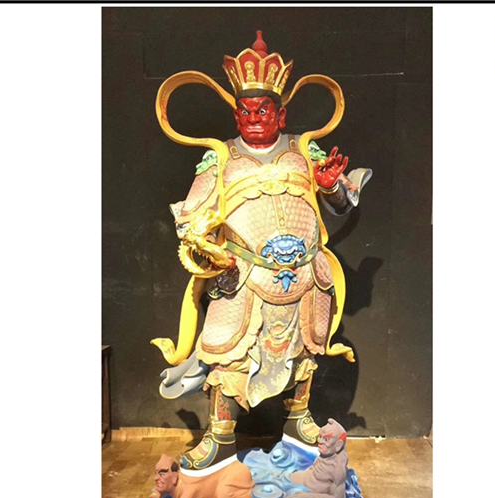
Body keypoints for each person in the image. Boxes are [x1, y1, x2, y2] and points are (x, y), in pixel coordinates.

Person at [156, 32, 371, 471]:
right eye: (246, 111)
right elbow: (189, 218)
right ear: (236, 114)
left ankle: (297, 418)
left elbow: (342, 202)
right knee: (228, 353)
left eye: (263, 110)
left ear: (281, 113)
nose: (254, 118)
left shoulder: (303, 150)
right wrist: (204, 244)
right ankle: (219, 436)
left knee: (305, 350)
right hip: (244, 277)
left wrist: (331, 185)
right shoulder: (220, 158)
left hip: (306, 275)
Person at [284, 418, 348, 498]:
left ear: (338, 445)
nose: (320, 441)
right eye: (320, 436)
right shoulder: (326, 454)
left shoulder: (337, 468)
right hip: (303, 480)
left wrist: (310, 497)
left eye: (327, 439)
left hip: (308, 491)